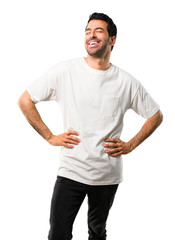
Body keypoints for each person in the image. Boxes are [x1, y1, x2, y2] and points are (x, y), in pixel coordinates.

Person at [18, 12, 163, 240]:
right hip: (71, 171)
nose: (91, 35)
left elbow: (155, 115)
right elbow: (25, 100)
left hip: (107, 175)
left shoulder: (126, 82)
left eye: (98, 30)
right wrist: (49, 136)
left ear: (112, 39)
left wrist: (130, 145)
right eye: (87, 31)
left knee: (97, 232)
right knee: (58, 234)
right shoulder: (65, 71)